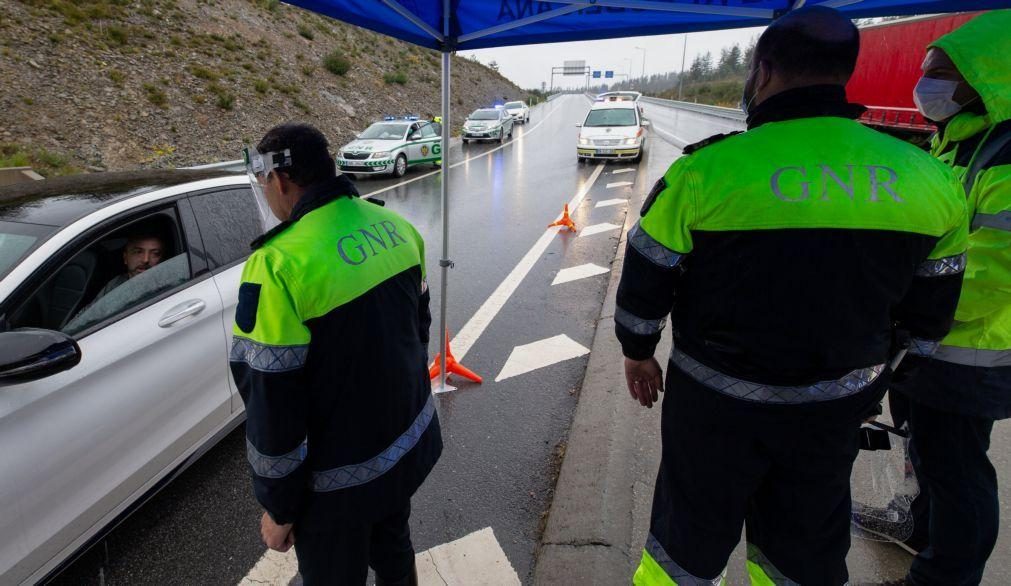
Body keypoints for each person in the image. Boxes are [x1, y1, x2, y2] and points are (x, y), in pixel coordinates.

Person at [615, 7, 968, 585]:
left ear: (765, 71)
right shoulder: (925, 177)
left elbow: (647, 276)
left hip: (712, 409)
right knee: (804, 551)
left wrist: (637, 350)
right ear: (844, 73)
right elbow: (929, 319)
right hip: (830, 414)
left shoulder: (708, 171)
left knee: (685, 542)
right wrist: (872, 379)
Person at [230, 123, 441, 585]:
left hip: (337, 488)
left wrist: (280, 506)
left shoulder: (278, 266)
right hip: (403, 452)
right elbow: (415, 334)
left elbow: (273, 402)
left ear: (280, 180)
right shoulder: (397, 228)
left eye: (265, 184)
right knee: (394, 556)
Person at [852, 11, 1011, 585]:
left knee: (958, 473)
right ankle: (918, 526)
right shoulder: (962, 144)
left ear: (987, 79)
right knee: (924, 453)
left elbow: (994, 274)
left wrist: (908, 312)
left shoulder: (1005, 158)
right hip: (929, 344)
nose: (927, 84)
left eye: (941, 72)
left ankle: (946, 575)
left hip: (968, 349)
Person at [93, 232, 164, 300]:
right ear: (125, 258)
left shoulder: (167, 288)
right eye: (138, 252)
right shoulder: (115, 283)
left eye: (155, 253)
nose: (145, 260)